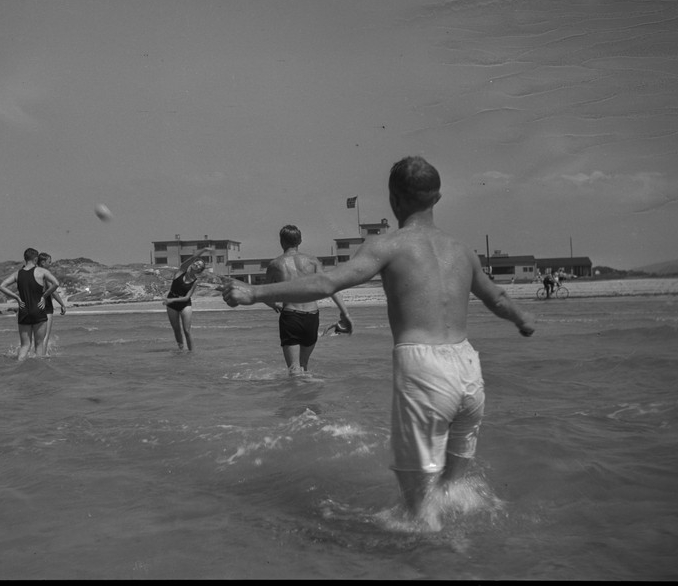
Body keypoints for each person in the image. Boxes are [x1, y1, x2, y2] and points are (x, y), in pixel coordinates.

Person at [222, 156, 535, 529]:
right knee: (453, 489)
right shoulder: (461, 249)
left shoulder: (388, 245)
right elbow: (497, 299)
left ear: (393, 199)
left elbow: (327, 283)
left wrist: (254, 293)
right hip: (469, 369)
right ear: (438, 197)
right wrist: (522, 318)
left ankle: (430, 551)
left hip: (425, 369)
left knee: (419, 511)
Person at [264, 225, 352, 375]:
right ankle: (311, 388)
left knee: (294, 369)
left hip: (291, 316)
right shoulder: (312, 261)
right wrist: (346, 313)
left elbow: (264, 294)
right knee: (304, 366)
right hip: (312, 316)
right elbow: (330, 287)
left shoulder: (275, 264)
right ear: (300, 241)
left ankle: (301, 388)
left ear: (281, 241)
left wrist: (274, 305)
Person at [0, 247, 59, 361]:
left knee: (25, 345)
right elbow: (56, 283)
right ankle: (39, 369)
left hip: (24, 310)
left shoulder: (17, 274)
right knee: (39, 344)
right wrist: (44, 296)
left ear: (25, 259)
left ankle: (18, 366)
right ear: (36, 259)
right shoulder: (42, 272)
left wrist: (16, 298)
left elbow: (1, 286)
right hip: (38, 310)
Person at [163, 247, 213, 351]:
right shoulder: (181, 271)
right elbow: (193, 257)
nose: (197, 265)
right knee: (176, 329)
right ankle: (181, 350)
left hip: (184, 304)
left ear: (199, 270)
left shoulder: (195, 281)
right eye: (196, 263)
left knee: (187, 330)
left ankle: (192, 353)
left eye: (199, 265)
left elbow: (186, 298)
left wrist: (172, 300)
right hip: (171, 303)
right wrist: (204, 250)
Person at [36, 252, 67, 355]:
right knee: (45, 336)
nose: (50, 264)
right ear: (43, 262)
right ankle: (42, 357)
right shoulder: (45, 273)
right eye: (49, 262)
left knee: (36, 336)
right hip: (46, 306)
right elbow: (53, 290)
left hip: (34, 305)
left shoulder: (33, 273)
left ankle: (34, 356)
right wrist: (62, 304)